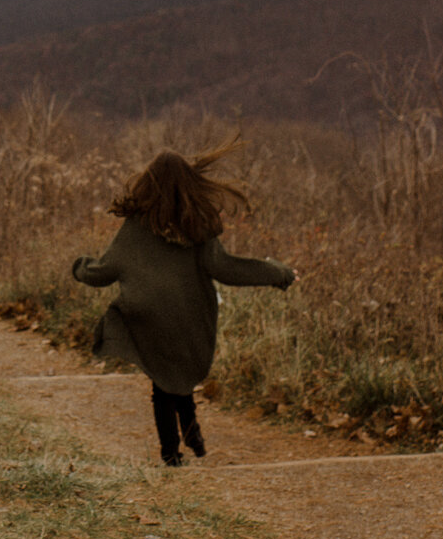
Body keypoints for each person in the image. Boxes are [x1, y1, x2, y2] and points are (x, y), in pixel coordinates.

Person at [71, 140, 293, 466]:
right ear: (190, 183)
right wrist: (278, 273)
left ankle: (172, 453)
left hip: (148, 317)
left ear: (149, 183)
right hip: (191, 316)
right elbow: (226, 268)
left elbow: (104, 271)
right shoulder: (198, 225)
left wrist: (80, 266)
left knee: (163, 385)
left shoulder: (135, 227)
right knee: (182, 379)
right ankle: (194, 438)